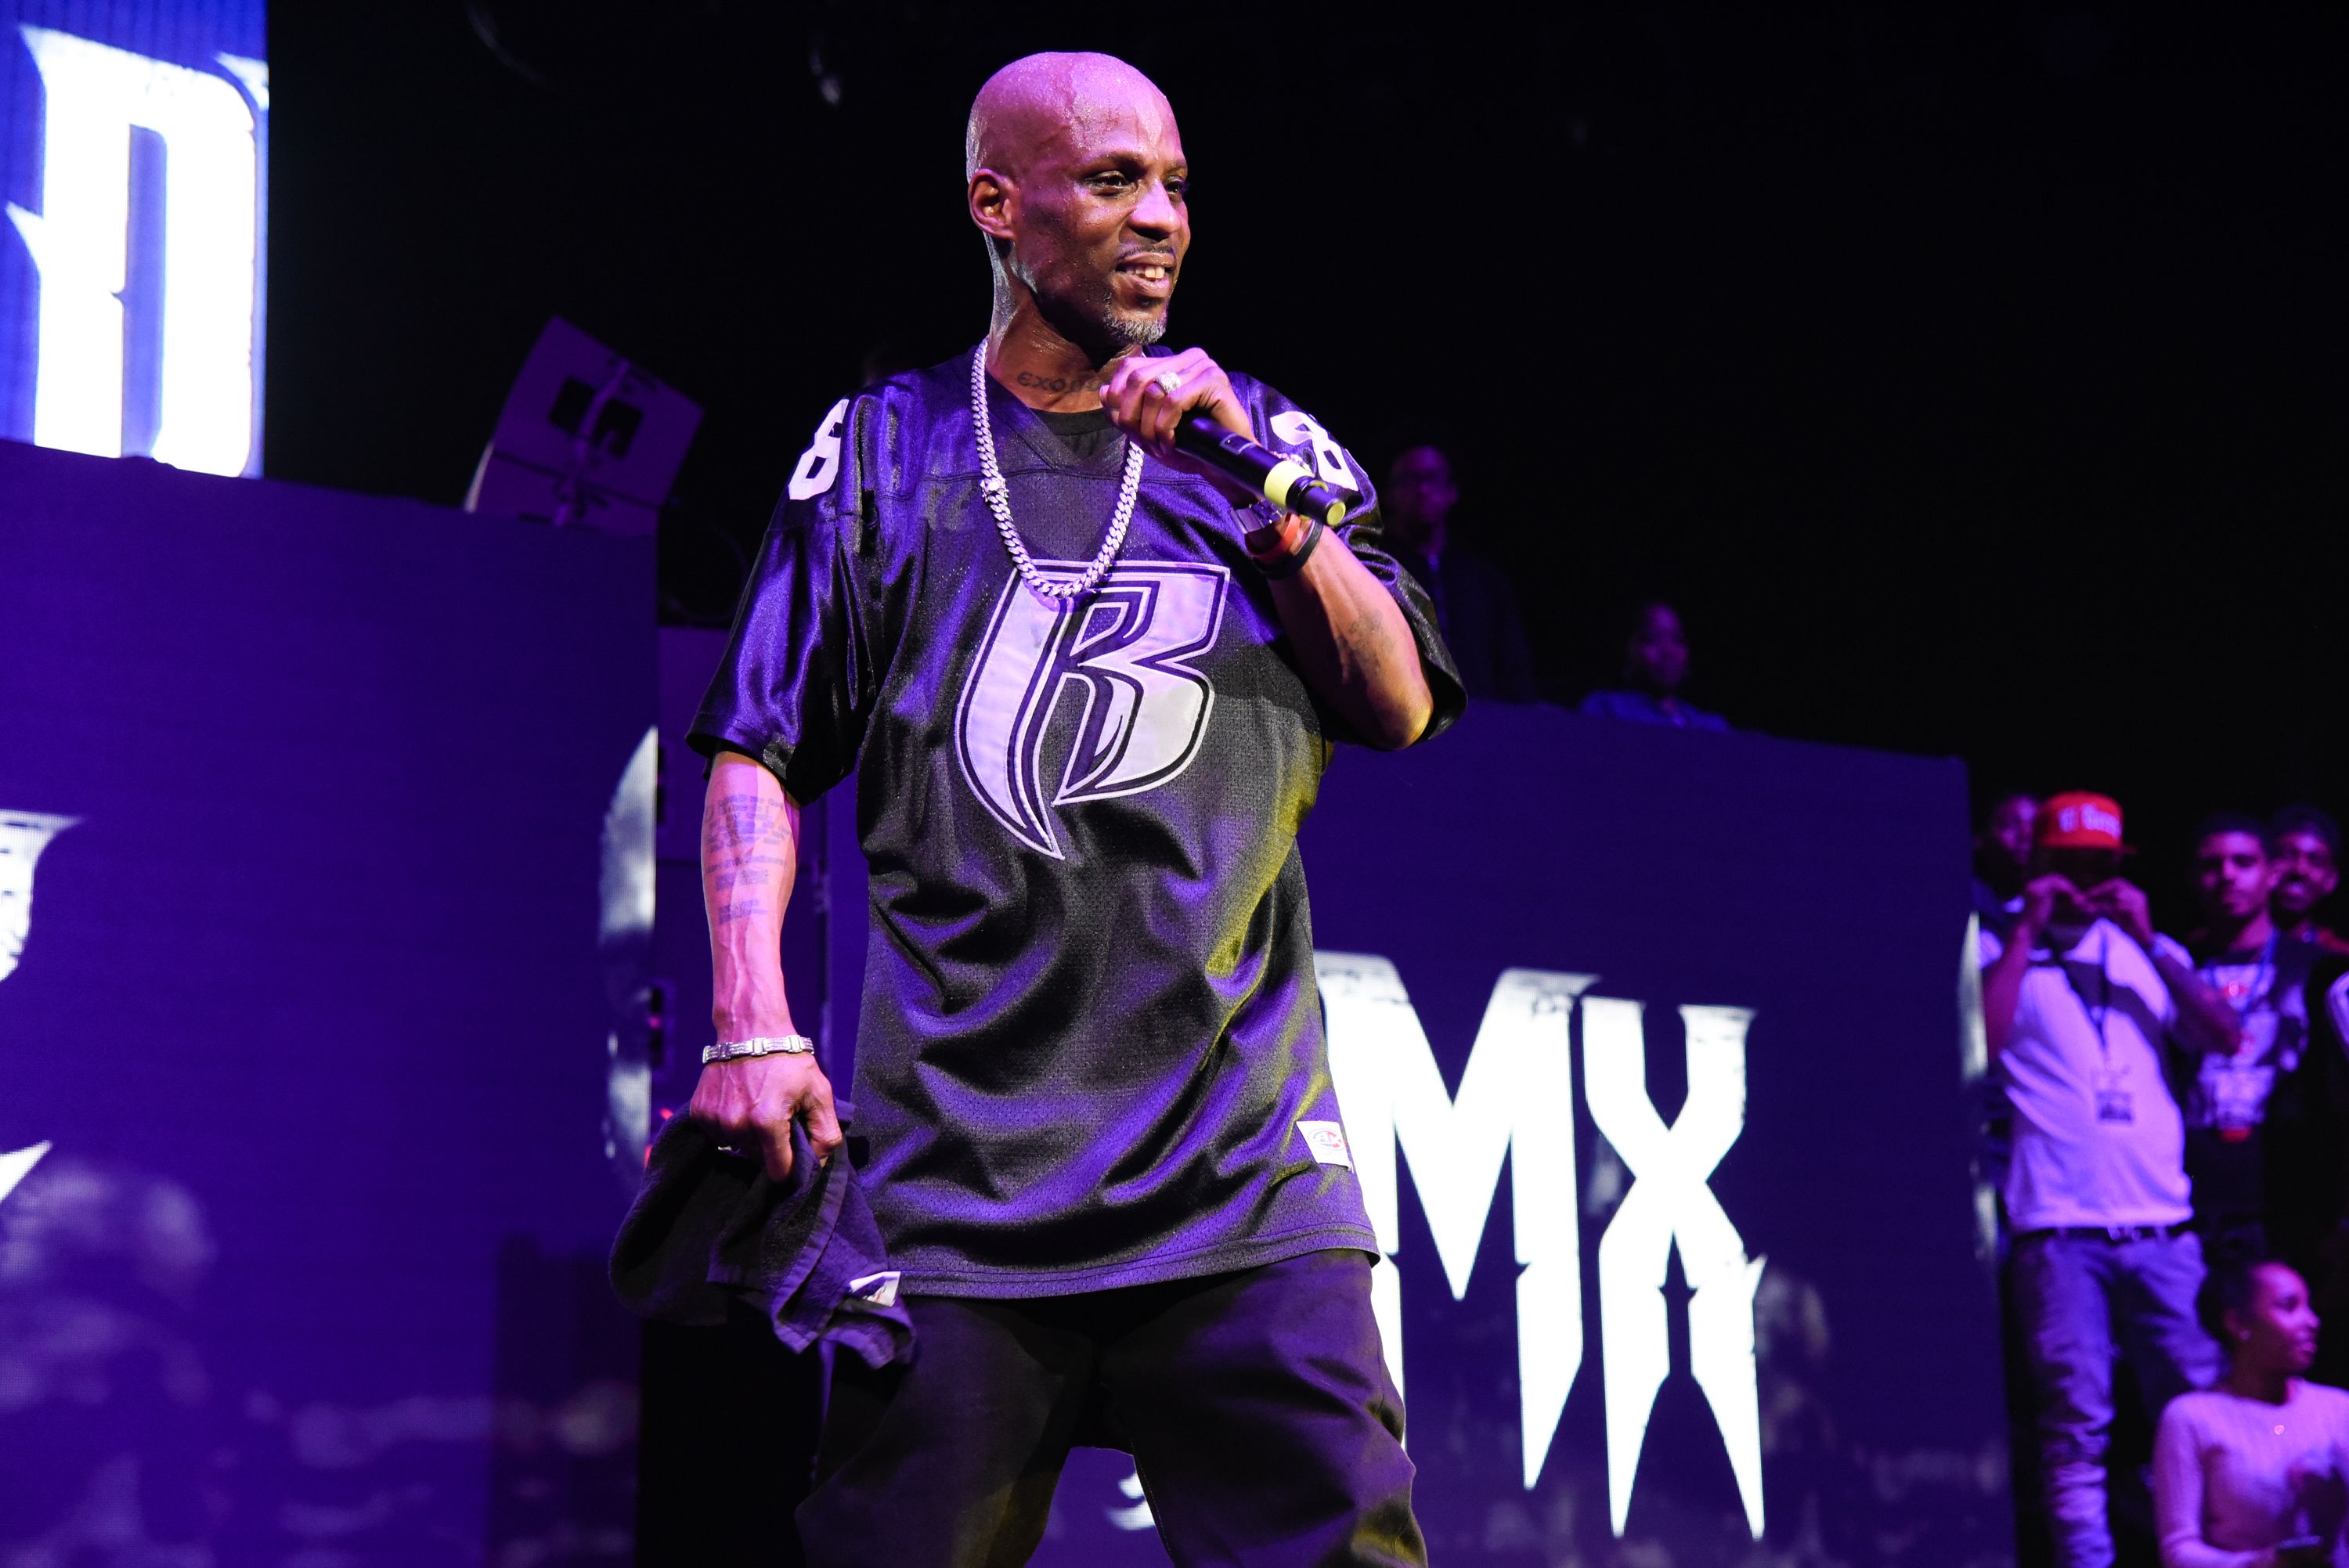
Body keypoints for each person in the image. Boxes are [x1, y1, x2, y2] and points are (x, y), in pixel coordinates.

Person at [679, 52, 1462, 1567]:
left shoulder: (1261, 446)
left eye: (1174, 185)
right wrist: (750, 1018)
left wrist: (1260, 492)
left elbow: (1400, 699)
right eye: (1112, 181)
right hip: (955, 1194)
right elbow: (755, 751)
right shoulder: (883, 455)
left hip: (1240, 1183)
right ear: (997, 204)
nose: (1159, 218)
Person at [1983, 791, 2239, 1568]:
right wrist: (2027, 927)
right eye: (2070, 865)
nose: (2086, 883)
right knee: (2075, 1422)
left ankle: (2218, 1557)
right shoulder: (1994, 944)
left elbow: (2224, 1034)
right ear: (2036, 862)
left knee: (2199, 1410)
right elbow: (1976, 1042)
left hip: (2163, 1225)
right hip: (2059, 1229)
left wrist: (2150, 936)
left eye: (2101, 867)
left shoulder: (2142, 952)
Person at [2158, 815, 2328, 1268]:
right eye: (2212, 865)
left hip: (2293, 1189)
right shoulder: (2175, 965)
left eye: (2243, 862)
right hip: (2194, 1191)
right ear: (2193, 878)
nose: (2227, 876)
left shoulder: (2317, 968)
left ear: (2272, 872)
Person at [2153, 1257, 2349, 1567]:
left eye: (2309, 1306)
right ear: (2237, 1323)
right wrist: (2261, 1563)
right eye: (2289, 1307)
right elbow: (2180, 1552)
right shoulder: (2192, 1418)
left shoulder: (2339, 1409)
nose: (2311, 1321)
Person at [1378, 443, 1538, 702]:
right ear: (1389, 494)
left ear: (1452, 492)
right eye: (1409, 480)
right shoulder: (1376, 570)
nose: (1422, 490)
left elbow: (1513, 664)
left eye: (1432, 479)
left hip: (1483, 719)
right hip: (1402, 716)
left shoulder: (1483, 580)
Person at [1579, 599, 1729, 730]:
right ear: (1628, 649)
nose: (1669, 651)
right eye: (1652, 639)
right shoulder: (1606, 709)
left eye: (1677, 639)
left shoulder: (1710, 726)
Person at [2271, 807, 2349, 956]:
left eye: (2316, 860)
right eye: (2288, 855)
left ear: (2331, 879)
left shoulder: (2341, 958)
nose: (2300, 870)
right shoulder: (2226, 949)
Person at [1976, 788, 2042, 941]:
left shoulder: (2061, 906)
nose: (2026, 834)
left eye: (2036, 827)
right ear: (1981, 838)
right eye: (2010, 825)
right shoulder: (1968, 905)